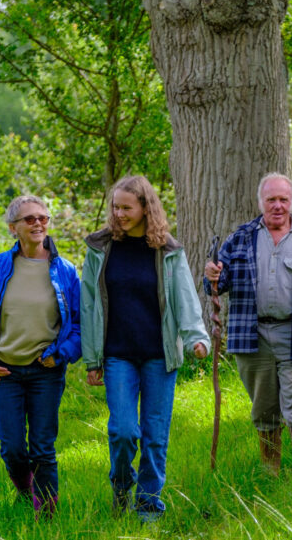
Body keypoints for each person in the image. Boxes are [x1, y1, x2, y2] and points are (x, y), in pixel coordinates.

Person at [80, 175, 210, 523]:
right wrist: (92, 358)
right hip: (118, 354)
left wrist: (197, 337)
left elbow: (184, 298)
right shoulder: (101, 248)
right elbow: (89, 304)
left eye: (126, 207)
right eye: (115, 207)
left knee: (155, 436)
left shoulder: (167, 249)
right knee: (123, 431)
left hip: (159, 355)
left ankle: (149, 504)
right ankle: (122, 488)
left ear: (144, 208)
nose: (118, 213)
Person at [204, 173, 292, 474]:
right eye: (271, 200)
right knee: (264, 407)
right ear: (260, 202)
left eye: (283, 199)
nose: (277, 206)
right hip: (252, 335)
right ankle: (270, 471)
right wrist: (212, 274)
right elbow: (216, 284)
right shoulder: (240, 239)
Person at [0, 195, 81, 519]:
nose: (38, 224)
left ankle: (46, 515)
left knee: (43, 447)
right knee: (12, 447)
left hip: (46, 371)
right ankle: (24, 489)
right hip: (7, 372)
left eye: (43, 218)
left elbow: (79, 325)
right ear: (13, 228)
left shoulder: (65, 271)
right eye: (29, 219)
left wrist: (63, 354)